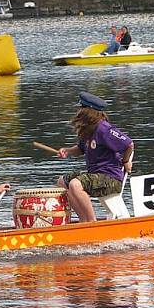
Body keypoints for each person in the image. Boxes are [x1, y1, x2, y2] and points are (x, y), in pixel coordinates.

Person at [55, 92, 134, 223]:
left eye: (81, 109)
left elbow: (128, 144)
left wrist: (125, 162)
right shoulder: (87, 130)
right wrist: (67, 151)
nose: (78, 112)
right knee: (62, 181)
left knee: (75, 184)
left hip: (110, 178)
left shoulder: (104, 129)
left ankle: (91, 222)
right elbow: (80, 149)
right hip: (96, 176)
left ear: (89, 111)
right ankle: (84, 220)